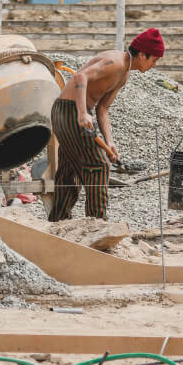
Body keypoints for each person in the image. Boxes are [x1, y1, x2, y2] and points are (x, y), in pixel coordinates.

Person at [48, 28, 165, 222]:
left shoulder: (124, 73)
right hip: (69, 111)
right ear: (142, 55)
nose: (154, 65)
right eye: (154, 60)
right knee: (98, 166)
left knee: (70, 170)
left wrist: (110, 142)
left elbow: (103, 108)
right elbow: (79, 77)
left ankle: (57, 222)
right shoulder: (115, 63)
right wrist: (83, 112)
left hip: (68, 111)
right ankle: (97, 225)